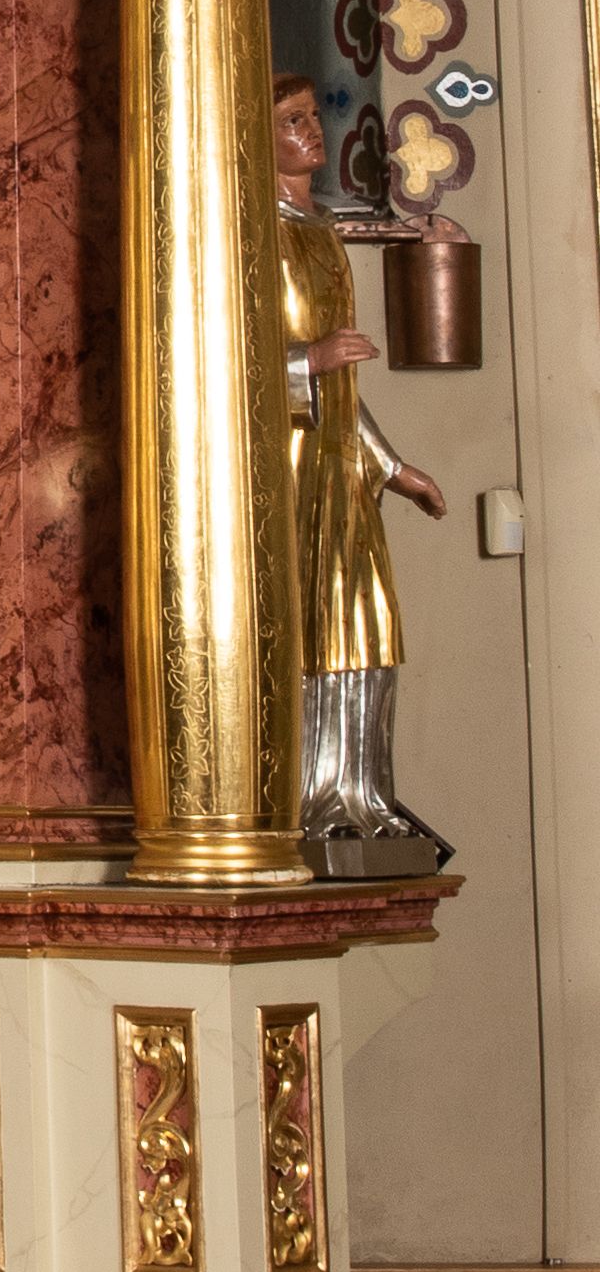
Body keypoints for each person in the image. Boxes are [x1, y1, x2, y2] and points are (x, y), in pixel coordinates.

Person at [274, 74, 448, 871]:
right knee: (313, 619)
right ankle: (313, 797)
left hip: (341, 460)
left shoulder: (321, 226)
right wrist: (306, 360)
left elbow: (346, 389)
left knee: (366, 618)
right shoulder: (255, 235)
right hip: (290, 464)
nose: (312, 130)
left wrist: (394, 467)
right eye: (292, 119)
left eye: (313, 115)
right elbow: (220, 361)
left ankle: (363, 796)